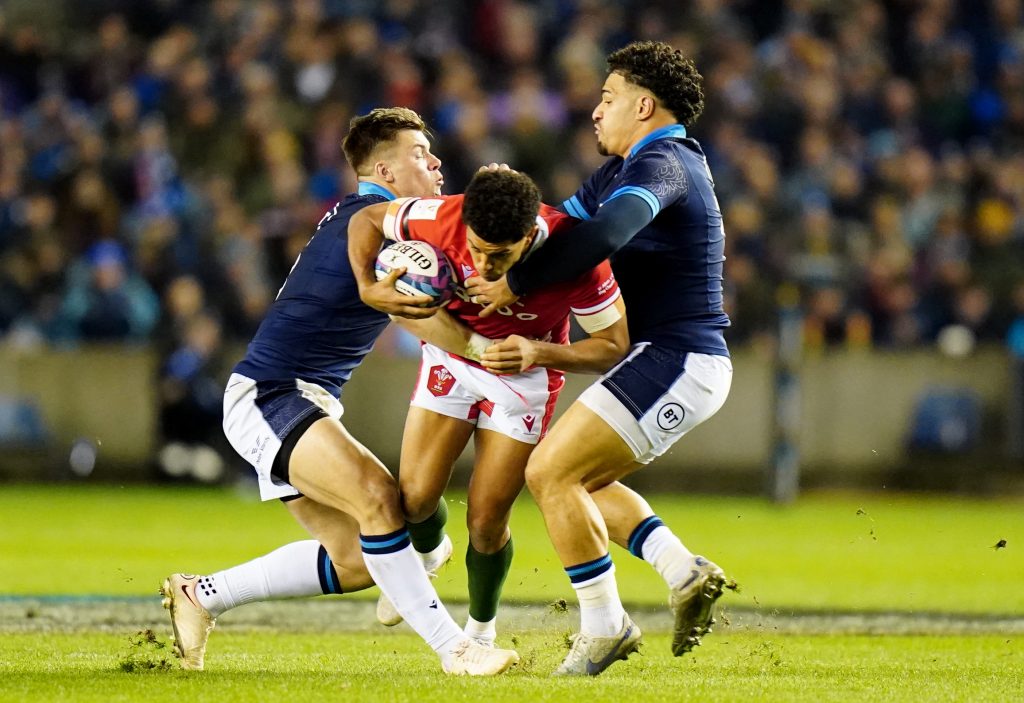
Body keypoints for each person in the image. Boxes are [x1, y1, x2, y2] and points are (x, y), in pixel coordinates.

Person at [159, 107, 519, 676]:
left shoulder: (375, 222)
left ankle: (202, 595)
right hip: (271, 393)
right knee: (379, 496)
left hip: (302, 398)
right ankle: (457, 649)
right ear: (384, 169)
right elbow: (419, 316)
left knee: (356, 562)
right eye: (419, 153)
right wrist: (500, 199)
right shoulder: (380, 216)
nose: (436, 160)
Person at [466, 41, 733, 675]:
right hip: (666, 356)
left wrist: (517, 286)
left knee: (550, 472)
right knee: (577, 479)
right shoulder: (621, 170)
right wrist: (495, 211)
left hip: (681, 356)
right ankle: (681, 568)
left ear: (644, 106)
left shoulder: (665, 162)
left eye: (608, 98)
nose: (595, 111)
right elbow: (561, 228)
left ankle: (604, 626)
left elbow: (607, 236)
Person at [347, 169, 629, 646]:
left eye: (500, 256)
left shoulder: (575, 256)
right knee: (413, 500)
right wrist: (365, 285)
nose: (484, 265)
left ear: (528, 237)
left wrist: (540, 352)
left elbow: (612, 345)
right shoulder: (444, 216)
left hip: (526, 376)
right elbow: (367, 221)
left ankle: (480, 630)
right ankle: (431, 553)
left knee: (486, 519)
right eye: (476, 249)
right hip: (453, 354)